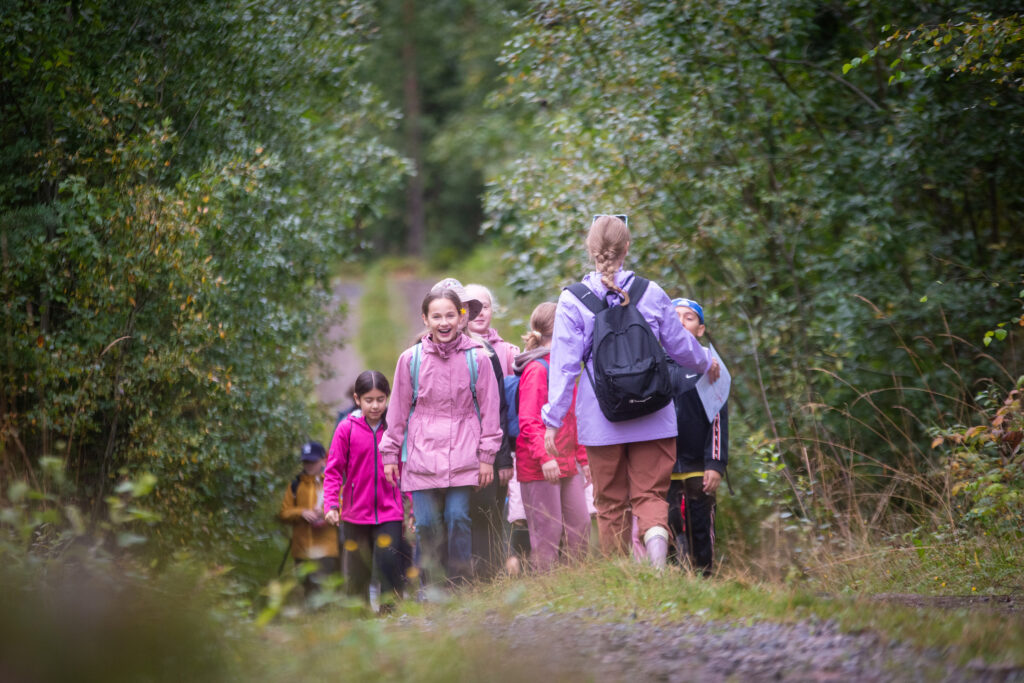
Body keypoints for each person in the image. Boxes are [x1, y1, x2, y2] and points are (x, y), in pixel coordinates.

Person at [542, 214, 720, 567]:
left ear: (590, 249)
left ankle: (621, 576)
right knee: (651, 495)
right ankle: (656, 562)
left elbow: (564, 366)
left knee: (610, 503)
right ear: (627, 248)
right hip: (654, 414)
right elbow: (680, 346)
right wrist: (705, 363)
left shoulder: (573, 300)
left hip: (601, 419)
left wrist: (553, 420)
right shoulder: (651, 292)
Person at [379, 287, 502, 586]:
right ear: (425, 319)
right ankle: (430, 584)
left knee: (458, 516)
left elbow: (490, 412)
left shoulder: (479, 358)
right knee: (426, 523)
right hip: (421, 453)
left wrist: (487, 458)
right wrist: (390, 455)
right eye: (436, 316)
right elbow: (396, 411)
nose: (444, 322)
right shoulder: (410, 360)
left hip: (464, 451)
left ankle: (460, 582)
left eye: (450, 315)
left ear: (461, 318)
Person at [515, 302, 591, 571]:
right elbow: (529, 421)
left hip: (568, 461)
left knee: (580, 527)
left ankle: (576, 586)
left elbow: (572, 416)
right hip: (540, 466)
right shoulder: (537, 370)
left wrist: (584, 458)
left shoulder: (563, 367)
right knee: (547, 535)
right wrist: (545, 457)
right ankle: (546, 590)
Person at [323, 371, 407, 612]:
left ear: (388, 398)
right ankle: (358, 621)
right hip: (355, 514)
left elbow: (406, 468)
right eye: (369, 400)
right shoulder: (345, 429)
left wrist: (411, 506)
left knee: (389, 566)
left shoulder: (395, 428)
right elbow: (333, 470)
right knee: (358, 574)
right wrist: (331, 505)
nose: (375, 405)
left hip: (389, 512)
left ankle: (390, 619)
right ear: (357, 399)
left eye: (381, 399)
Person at [667, 298, 728, 576]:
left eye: (688, 317)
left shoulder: (709, 366)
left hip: (697, 467)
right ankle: (671, 580)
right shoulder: (658, 364)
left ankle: (705, 577)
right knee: (667, 525)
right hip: (663, 467)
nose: (680, 321)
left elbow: (717, 419)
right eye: (674, 315)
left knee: (700, 526)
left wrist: (715, 464)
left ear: (700, 329)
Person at [464, 282, 519, 577]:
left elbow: (506, 408)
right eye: (473, 306)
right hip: (465, 445)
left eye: (484, 306)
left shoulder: (508, 352)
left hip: (500, 448)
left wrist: (504, 456)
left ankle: (496, 567)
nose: (479, 312)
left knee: (498, 510)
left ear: (492, 310)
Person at [279, 441, 340, 597]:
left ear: (323, 461)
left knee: (323, 587)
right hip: (302, 549)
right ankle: (310, 620)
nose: (309, 465)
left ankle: (325, 618)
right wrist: (301, 512)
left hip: (326, 548)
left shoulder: (332, 482)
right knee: (307, 587)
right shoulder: (295, 485)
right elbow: (284, 513)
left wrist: (326, 512)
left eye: (313, 461)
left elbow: (345, 507)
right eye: (306, 461)